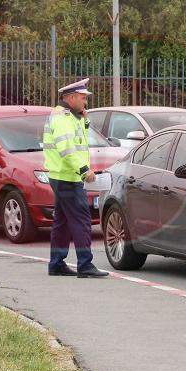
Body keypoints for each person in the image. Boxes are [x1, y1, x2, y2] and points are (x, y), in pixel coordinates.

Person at [43, 79, 108, 278]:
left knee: (62, 222)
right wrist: (83, 171)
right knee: (82, 220)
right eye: (82, 98)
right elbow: (67, 149)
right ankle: (85, 264)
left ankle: (56, 263)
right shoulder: (62, 118)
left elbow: (78, 141)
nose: (85, 102)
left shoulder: (70, 116)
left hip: (62, 175)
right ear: (70, 98)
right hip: (67, 176)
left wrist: (85, 121)